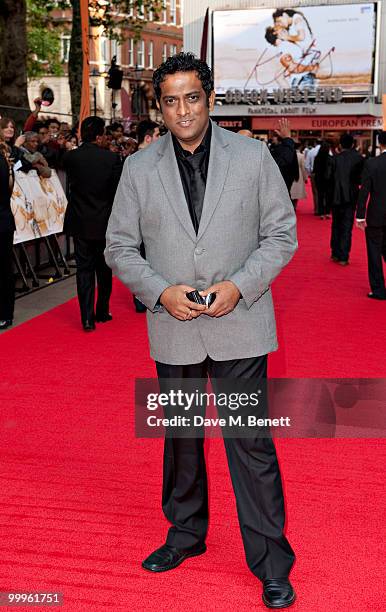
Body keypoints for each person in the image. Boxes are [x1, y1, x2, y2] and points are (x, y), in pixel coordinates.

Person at [105, 52, 297, 609]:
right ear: (159, 107)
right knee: (182, 441)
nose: (183, 109)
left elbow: (281, 235)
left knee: (249, 444)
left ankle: (271, 562)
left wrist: (241, 285)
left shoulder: (254, 156)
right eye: (171, 100)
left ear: (209, 100)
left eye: (192, 97)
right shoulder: (139, 168)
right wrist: (160, 291)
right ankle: (185, 535)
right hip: (175, 325)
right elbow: (119, 246)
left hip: (240, 321)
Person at [63, 116, 122, 331]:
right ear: (99, 136)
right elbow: (117, 193)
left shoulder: (71, 158)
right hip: (104, 221)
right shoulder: (111, 159)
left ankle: (86, 318)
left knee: (84, 270)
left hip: (80, 221)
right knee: (104, 270)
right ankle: (102, 311)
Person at [356, 131, 386, 300]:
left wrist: (360, 215)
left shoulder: (372, 163)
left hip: (376, 215)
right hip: (378, 216)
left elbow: (364, 191)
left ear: (380, 143)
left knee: (374, 252)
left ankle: (378, 290)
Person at [330, 133, 363, 266]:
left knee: (336, 225)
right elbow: (361, 179)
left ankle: (335, 253)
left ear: (340, 145)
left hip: (336, 196)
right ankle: (343, 256)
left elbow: (329, 179)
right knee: (346, 227)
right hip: (351, 197)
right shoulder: (359, 159)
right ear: (352, 144)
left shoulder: (335, 159)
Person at [0, 128, 16, 330]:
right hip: (4, 220)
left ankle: (5, 312)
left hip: (2, 221)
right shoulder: (4, 160)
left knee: (3, 269)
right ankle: (5, 313)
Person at [269, 118, 299, 193]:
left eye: (274, 136)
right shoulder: (275, 149)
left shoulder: (284, 149)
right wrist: (287, 138)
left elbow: (291, 162)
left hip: (284, 183)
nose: (272, 138)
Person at [313, 141, 334, 219]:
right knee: (328, 196)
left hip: (319, 179)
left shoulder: (317, 158)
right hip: (329, 180)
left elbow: (314, 169)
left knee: (320, 196)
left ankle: (321, 213)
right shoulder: (331, 158)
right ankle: (327, 212)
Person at [290, 142, 307, 209]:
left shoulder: (290, 154)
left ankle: (291, 205)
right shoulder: (301, 155)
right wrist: (305, 177)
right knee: (297, 191)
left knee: (291, 190)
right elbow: (303, 167)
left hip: (291, 173)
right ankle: (294, 206)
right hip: (298, 174)